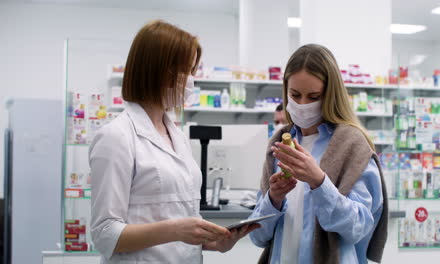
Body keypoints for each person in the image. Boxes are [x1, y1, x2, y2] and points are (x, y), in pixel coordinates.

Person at [90, 20, 258, 264]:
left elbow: (179, 220)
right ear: (160, 71)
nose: (192, 81)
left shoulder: (175, 135)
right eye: (188, 71)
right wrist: (176, 230)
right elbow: (105, 234)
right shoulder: (116, 137)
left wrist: (214, 242)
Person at [249, 44, 388, 264]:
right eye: (295, 95)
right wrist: (273, 199)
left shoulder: (352, 145)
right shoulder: (278, 143)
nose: (302, 105)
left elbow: (358, 229)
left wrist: (319, 182)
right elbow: (258, 236)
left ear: (331, 94)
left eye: (314, 96)